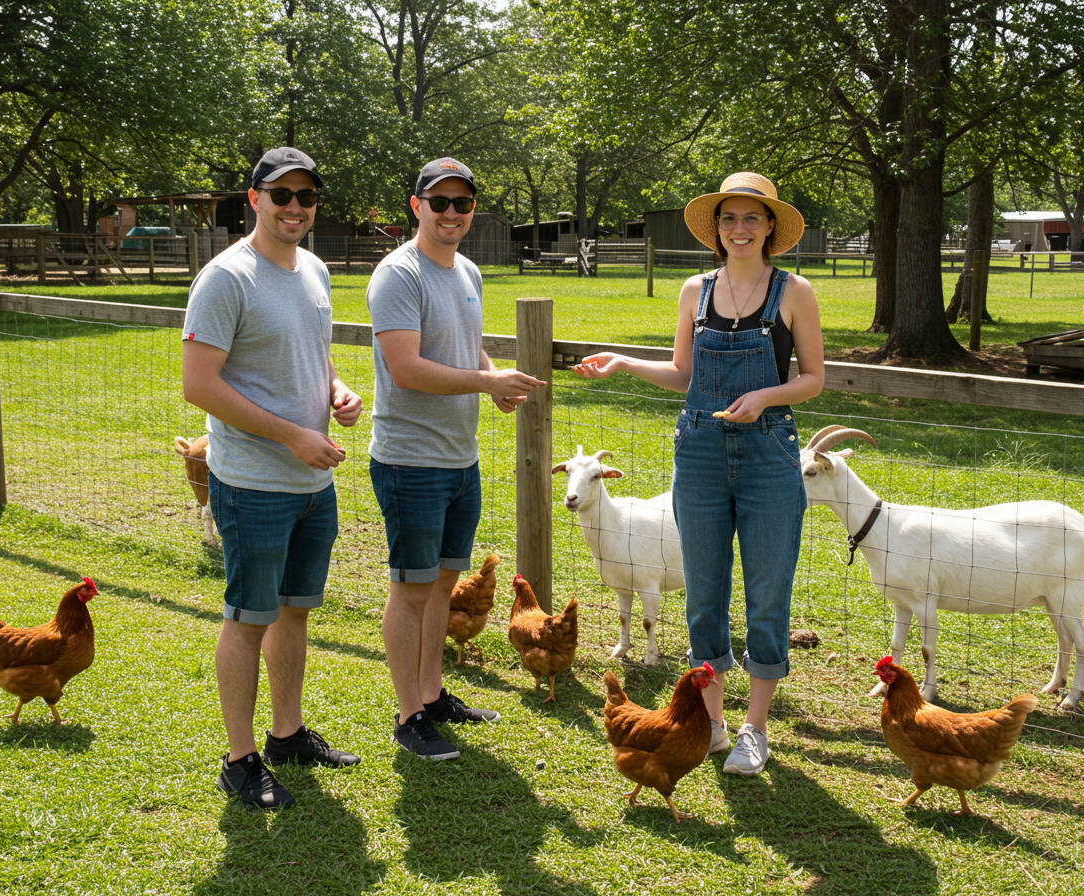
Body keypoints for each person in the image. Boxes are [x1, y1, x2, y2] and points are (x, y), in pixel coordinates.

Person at [574, 172, 824, 776]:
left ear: (770, 227)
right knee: (704, 596)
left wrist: (764, 396)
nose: (739, 229)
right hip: (702, 455)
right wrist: (623, 361)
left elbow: (813, 379)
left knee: (767, 594)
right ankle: (712, 724)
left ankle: (754, 730)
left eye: (751, 219)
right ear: (717, 229)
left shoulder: (794, 292)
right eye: (729, 219)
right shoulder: (695, 290)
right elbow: (685, 374)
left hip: (768, 456)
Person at [182, 147, 364, 809]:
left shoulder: (313, 270)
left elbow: (311, 360)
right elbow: (198, 385)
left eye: (306, 197)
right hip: (254, 482)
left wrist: (338, 393)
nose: (294, 207)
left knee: (294, 612)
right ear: (254, 197)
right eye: (280, 194)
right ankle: (239, 760)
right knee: (249, 618)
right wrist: (291, 434)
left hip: (312, 485)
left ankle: (286, 735)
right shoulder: (227, 278)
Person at [368, 157, 545, 760]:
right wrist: (483, 383)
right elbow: (406, 369)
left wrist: (496, 380)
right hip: (409, 460)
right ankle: (408, 713)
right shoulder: (399, 274)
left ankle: (434, 693)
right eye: (438, 203)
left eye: (461, 204)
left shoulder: (465, 269)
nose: (451, 214)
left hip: (457, 457)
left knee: (443, 584)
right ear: (416, 207)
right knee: (411, 590)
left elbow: (468, 352)